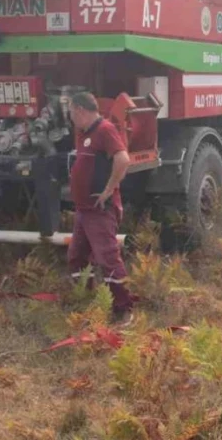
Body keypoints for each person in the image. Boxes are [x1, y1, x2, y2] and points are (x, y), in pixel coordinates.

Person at [66, 92, 135, 326]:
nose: (70, 116)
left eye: (71, 111)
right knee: (76, 257)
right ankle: (88, 302)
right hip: (84, 210)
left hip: (99, 210)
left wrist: (108, 191)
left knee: (108, 259)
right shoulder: (83, 133)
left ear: (79, 109)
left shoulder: (105, 129)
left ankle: (124, 309)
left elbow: (123, 159)